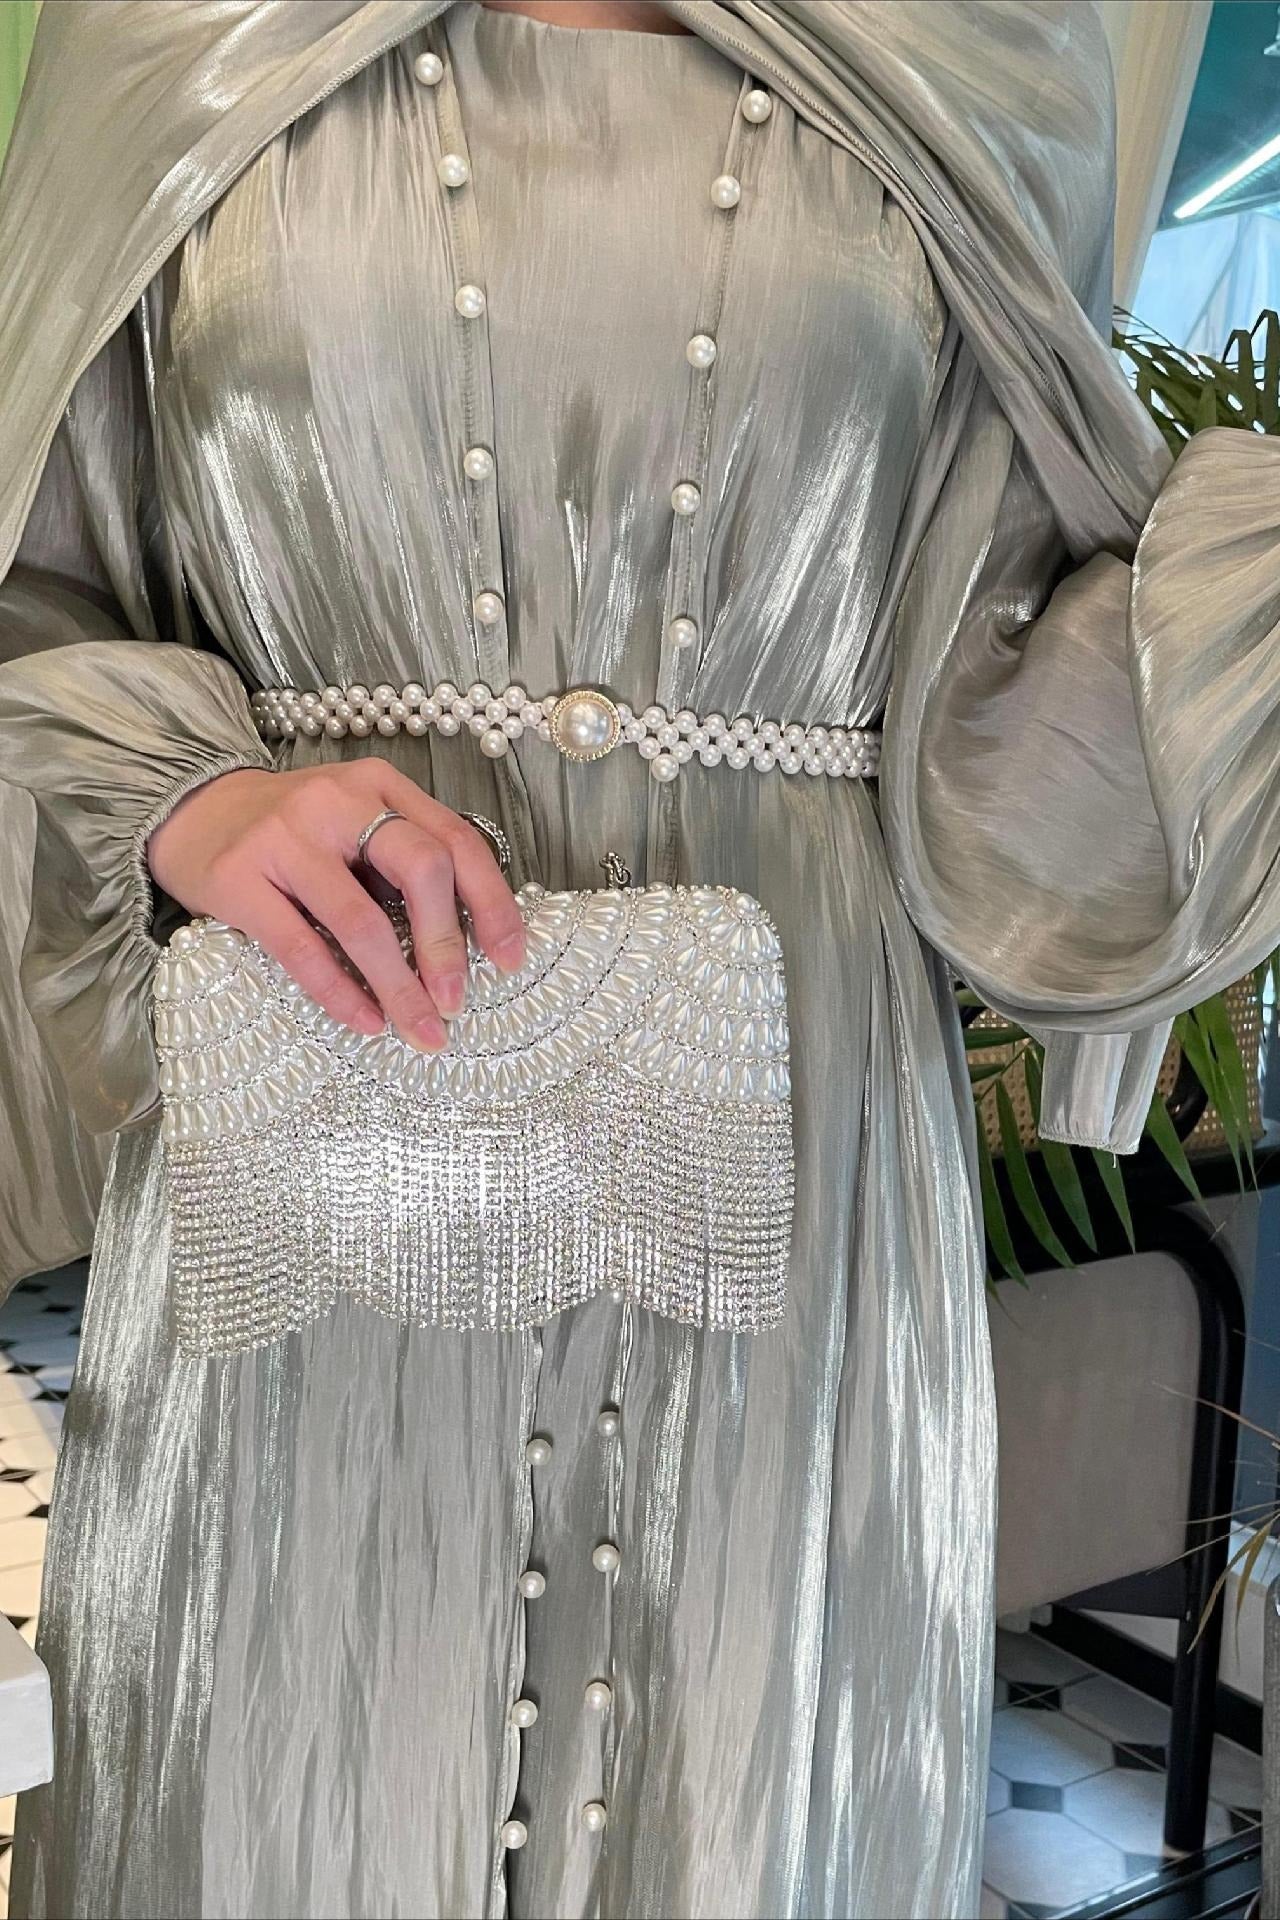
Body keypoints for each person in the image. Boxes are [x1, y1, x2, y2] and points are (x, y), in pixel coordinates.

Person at [0, 2, 1277, 1916]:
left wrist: (1235, 622)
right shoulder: (170, 33)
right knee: (285, 1776)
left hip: (798, 1145)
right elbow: (29, 578)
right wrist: (179, 792)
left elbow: (1010, 721)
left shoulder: (982, 50)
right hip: (326, 1088)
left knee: (738, 1793)